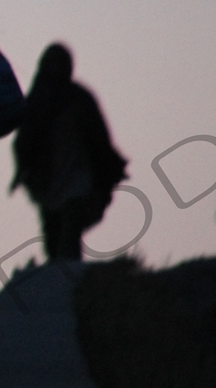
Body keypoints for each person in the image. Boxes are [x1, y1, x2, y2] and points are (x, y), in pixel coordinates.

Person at [10, 43, 128, 262]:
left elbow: (99, 138)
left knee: (70, 232)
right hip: (48, 181)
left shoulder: (80, 99)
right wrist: (22, 171)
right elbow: (24, 141)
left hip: (78, 178)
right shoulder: (37, 102)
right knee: (53, 236)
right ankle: (60, 284)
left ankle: (70, 281)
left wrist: (110, 168)